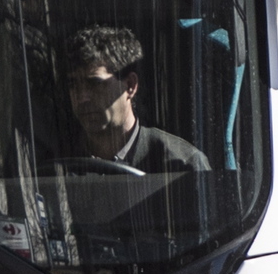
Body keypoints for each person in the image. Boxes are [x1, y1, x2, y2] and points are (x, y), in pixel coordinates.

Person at [62, 27, 208, 175]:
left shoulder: (181, 164)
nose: (82, 97)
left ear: (130, 86)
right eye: (73, 85)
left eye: (95, 83)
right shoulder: (58, 164)